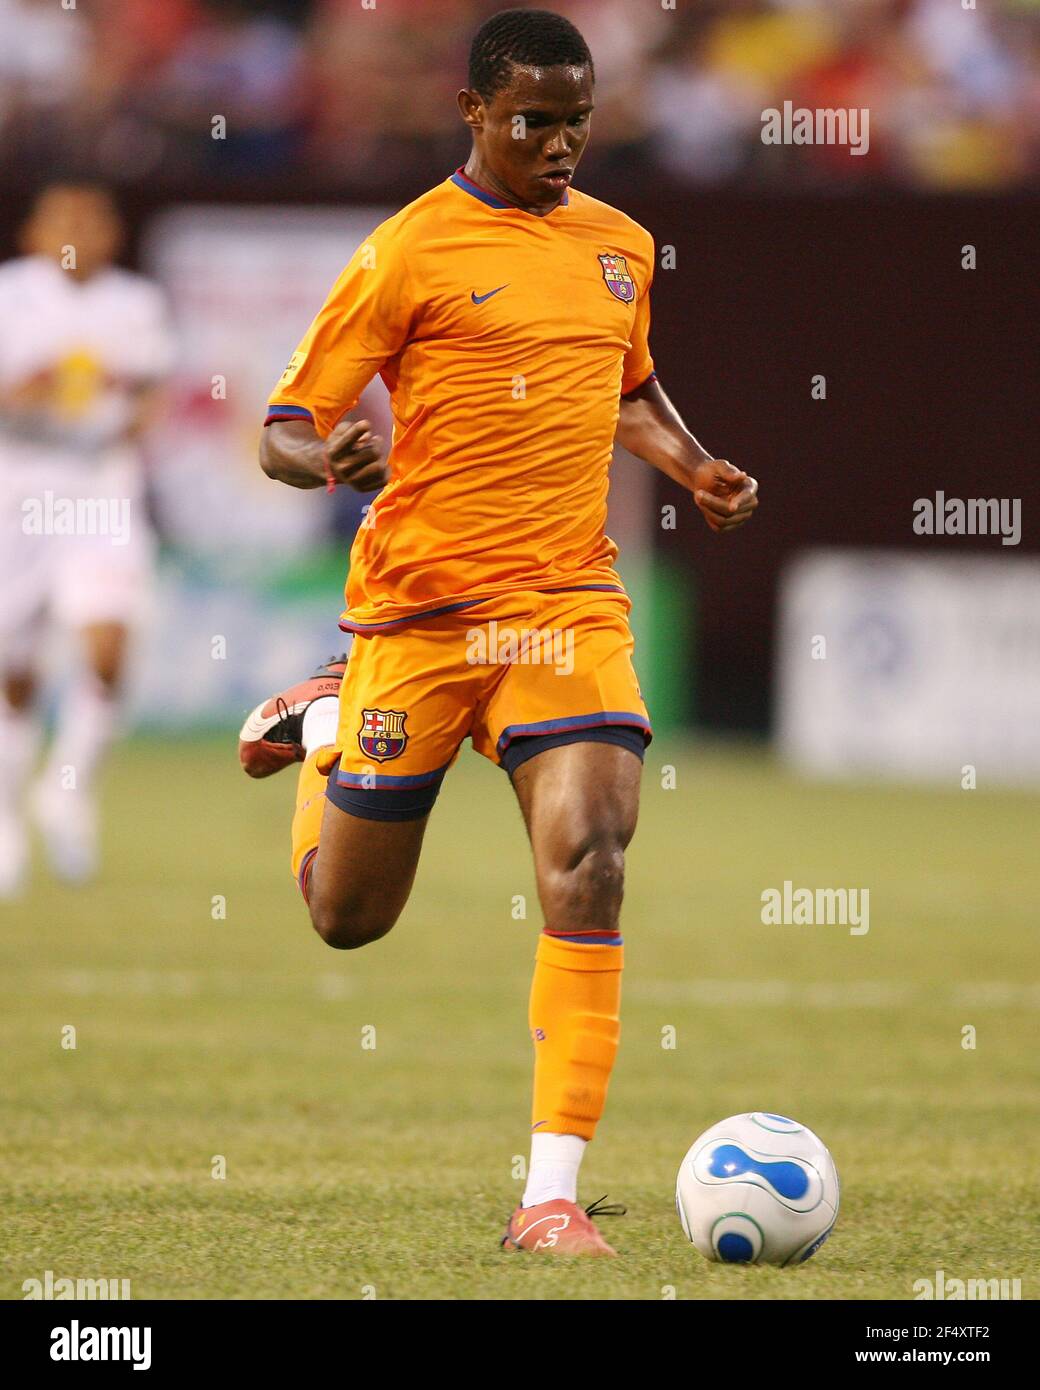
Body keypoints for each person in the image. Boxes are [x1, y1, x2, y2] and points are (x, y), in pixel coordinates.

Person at [240, 8, 758, 1256]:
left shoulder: (619, 246)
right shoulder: (406, 249)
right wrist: (328, 458)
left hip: (563, 604)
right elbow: (282, 423)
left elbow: (622, 385)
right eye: (533, 120)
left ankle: (549, 1199)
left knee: (591, 851)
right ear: (473, 111)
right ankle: (324, 717)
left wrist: (691, 466)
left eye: (577, 121)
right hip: (420, 617)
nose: (559, 143)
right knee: (347, 918)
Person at [0, 183, 174, 894]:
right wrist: (26, 391)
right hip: (18, 489)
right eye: (65, 220)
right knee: (15, 676)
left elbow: (152, 390)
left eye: (94, 220)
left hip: (101, 486)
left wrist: (134, 413)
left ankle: (66, 791)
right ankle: (8, 819)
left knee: (108, 646)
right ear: (35, 233)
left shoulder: (136, 304)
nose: (81, 232)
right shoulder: (11, 295)